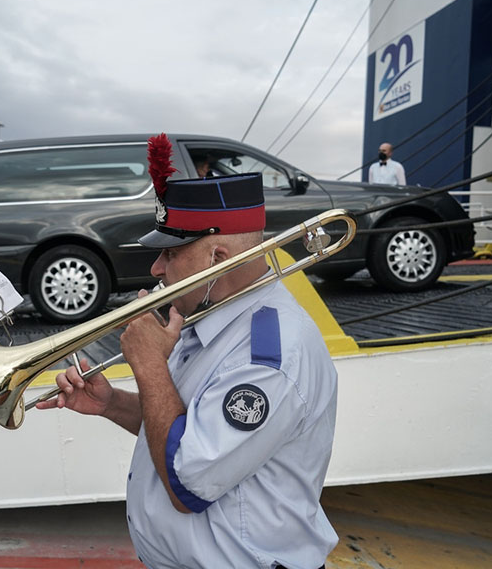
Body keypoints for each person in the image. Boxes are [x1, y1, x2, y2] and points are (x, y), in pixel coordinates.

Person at [37, 134, 338, 568]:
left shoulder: (269, 353)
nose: (156, 269)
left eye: (170, 254)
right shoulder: (209, 314)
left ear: (217, 257)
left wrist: (149, 363)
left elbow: (188, 483)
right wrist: (112, 404)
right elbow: (188, 427)